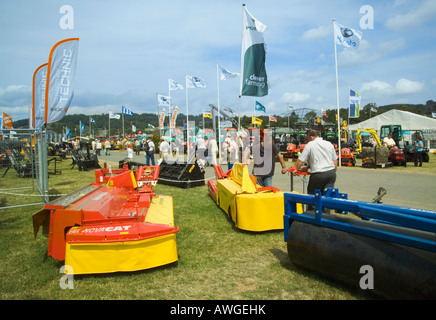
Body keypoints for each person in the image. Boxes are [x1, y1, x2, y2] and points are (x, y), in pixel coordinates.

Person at [291, 130, 338, 196]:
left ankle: (312, 206)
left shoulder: (310, 144)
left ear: (311, 137)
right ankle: (326, 206)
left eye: (307, 139)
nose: (307, 140)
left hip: (319, 174)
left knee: (313, 195)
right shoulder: (329, 144)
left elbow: (301, 160)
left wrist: (296, 169)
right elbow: (335, 161)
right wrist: (308, 167)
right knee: (327, 196)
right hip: (331, 173)